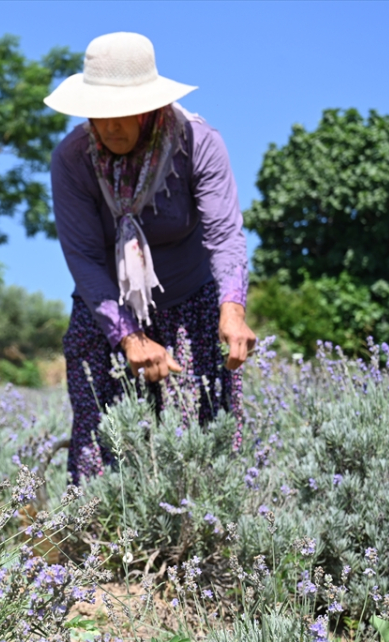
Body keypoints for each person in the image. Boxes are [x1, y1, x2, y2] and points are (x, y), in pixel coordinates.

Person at [44, 32, 257, 482]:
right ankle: (92, 541)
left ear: (152, 107)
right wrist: (129, 337)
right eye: (100, 115)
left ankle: (203, 542)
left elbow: (224, 235)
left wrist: (233, 310)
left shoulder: (197, 142)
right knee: (102, 436)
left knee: (201, 436)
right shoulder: (72, 159)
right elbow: (83, 257)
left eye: (124, 114)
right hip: (105, 309)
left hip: (192, 301)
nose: (111, 127)